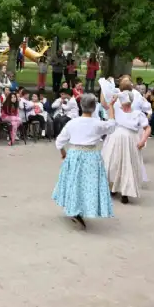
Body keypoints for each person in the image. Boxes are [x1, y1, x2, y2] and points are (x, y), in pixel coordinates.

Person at [53, 93, 116, 229]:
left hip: (75, 154)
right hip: (91, 155)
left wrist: (63, 152)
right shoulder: (98, 124)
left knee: (74, 181)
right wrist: (111, 107)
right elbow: (112, 125)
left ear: (81, 106)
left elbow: (59, 141)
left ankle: (75, 208)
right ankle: (82, 208)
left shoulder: (72, 123)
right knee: (88, 183)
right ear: (94, 108)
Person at [102, 92, 150, 204]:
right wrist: (111, 103)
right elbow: (111, 118)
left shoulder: (138, 114)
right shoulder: (117, 110)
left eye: (127, 103)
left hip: (130, 142)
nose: (125, 105)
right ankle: (113, 187)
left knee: (128, 165)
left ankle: (125, 192)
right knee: (114, 164)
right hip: (115, 141)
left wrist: (143, 140)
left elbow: (147, 128)